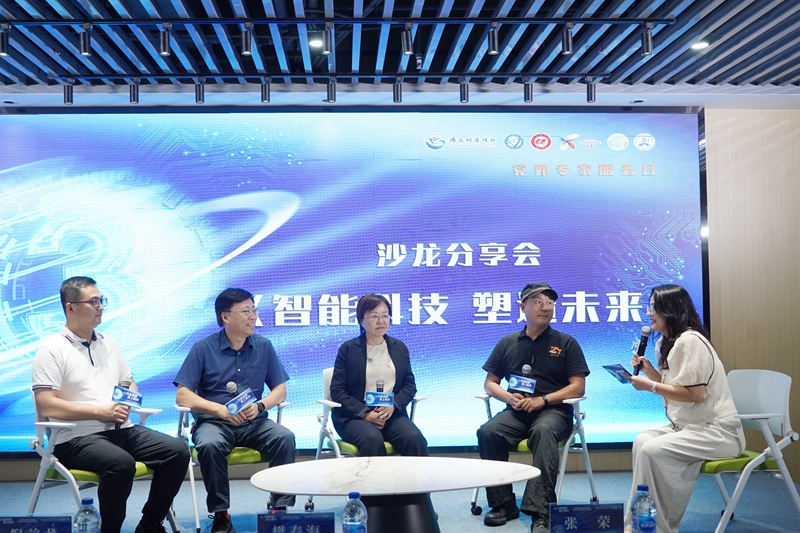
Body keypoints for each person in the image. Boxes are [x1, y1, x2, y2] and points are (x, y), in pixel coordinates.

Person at [31, 276, 189, 533]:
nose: (100, 306)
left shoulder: (109, 343)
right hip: (75, 439)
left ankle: (149, 524)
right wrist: (100, 411)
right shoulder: (51, 350)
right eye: (93, 302)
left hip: (121, 429)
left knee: (177, 451)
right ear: (71, 307)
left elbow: (129, 384)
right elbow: (47, 405)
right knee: (121, 464)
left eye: (101, 300)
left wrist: (124, 402)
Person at [174, 288, 296, 533]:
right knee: (210, 445)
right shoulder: (203, 348)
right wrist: (219, 410)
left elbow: (280, 390)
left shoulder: (263, 346)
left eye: (254, 310)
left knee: (284, 437)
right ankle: (221, 515)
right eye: (245, 311)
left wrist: (260, 406)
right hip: (214, 422)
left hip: (254, 422)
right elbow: (183, 394)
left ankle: (279, 509)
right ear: (225, 317)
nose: (253, 316)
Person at [627, 284, 744, 533]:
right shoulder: (667, 342)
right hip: (689, 427)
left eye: (654, 307)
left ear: (671, 309)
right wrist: (650, 373)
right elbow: (676, 386)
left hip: (717, 432)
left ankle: (657, 528)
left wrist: (650, 386)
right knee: (641, 441)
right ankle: (638, 522)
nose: (649, 313)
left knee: (652, 449)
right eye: (649, 307)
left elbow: (694, 394)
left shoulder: (691, 341)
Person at [477, 282, 589, 533]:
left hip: (554, 411)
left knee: (543, 431)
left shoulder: (566, 342)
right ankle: (503, 504)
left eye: (550, 303)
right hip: (517, 410)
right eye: (538, 302)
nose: (545, 307)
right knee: (488, 432)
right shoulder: (507, 342)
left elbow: (578, 387)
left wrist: (544, 400)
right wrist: (509, 398)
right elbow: (490, 383)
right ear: (522, 307)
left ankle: (541, 512)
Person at [330, 293, 429, 457]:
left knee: (414, 438)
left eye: (385, 315)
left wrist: (394, 405)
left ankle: (416, 476)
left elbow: (409, 386)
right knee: (371, 438)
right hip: (355, 417)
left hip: (390, 413)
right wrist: (365, 413)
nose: (381, 321)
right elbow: (337, 391)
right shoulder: (348, 349)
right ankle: (374, 476)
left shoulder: (399, 347)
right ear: (361, 320)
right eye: (374, 316)